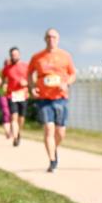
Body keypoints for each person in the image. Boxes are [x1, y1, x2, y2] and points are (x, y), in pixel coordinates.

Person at [28, 28, 76, 172]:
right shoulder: (37, 57)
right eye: (48, 37)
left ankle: (53, 148)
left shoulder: (65, 56)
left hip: (60, 98)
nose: (51, 39)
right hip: (44, 98)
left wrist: (66, 83)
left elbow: (73, 74)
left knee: (60, 132)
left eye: (54, 37)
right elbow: (30, 73)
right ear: (45, 39)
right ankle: (52, 160)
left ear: (58, 39)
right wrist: (32, 87)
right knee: (49, 128)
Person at [1, 46, 29, 146]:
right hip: (11, 95)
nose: (14, 56)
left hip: (23, 95)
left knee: (21, 118)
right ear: (10, 56)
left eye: (16, 55)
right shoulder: (7, 68)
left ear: (19, 55)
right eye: (12, 55)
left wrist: (26, 83)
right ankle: (16, 137)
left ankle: (18, 132)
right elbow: (3, 80)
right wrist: (3, 85)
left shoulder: (25, 66)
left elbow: (31, 80)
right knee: (14, 117)